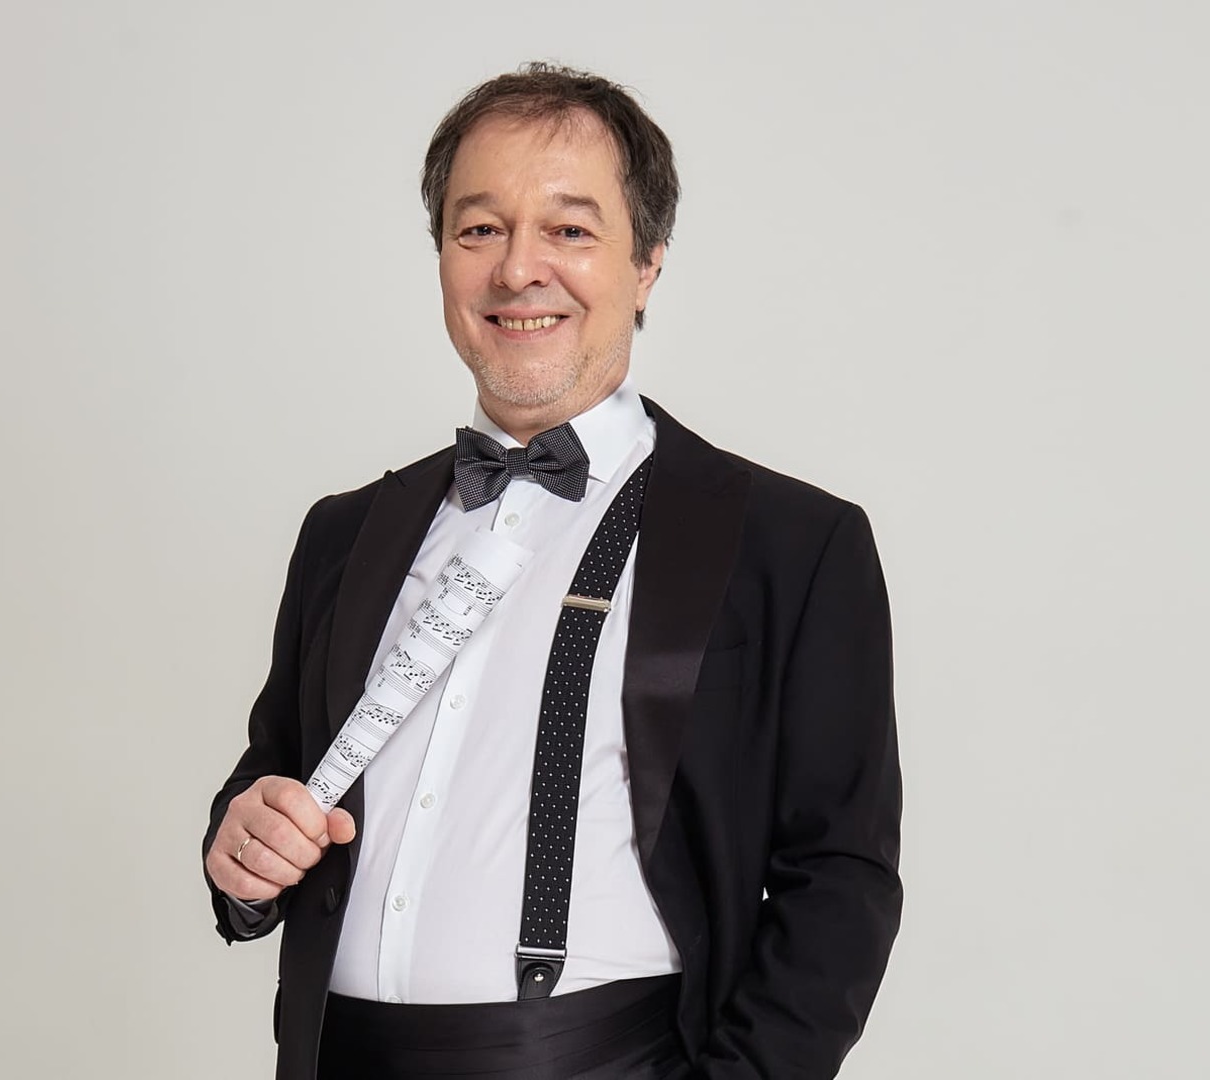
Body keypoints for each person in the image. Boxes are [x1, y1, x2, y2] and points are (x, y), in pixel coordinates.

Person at [202, 63, 901, 1080]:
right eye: (479, 229)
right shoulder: (343, 533)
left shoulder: (792, 543)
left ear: (647, 263)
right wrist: (242, 852)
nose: (518, 268)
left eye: (569, 230)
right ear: (441, 257)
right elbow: (274, 777)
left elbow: (839, 879)